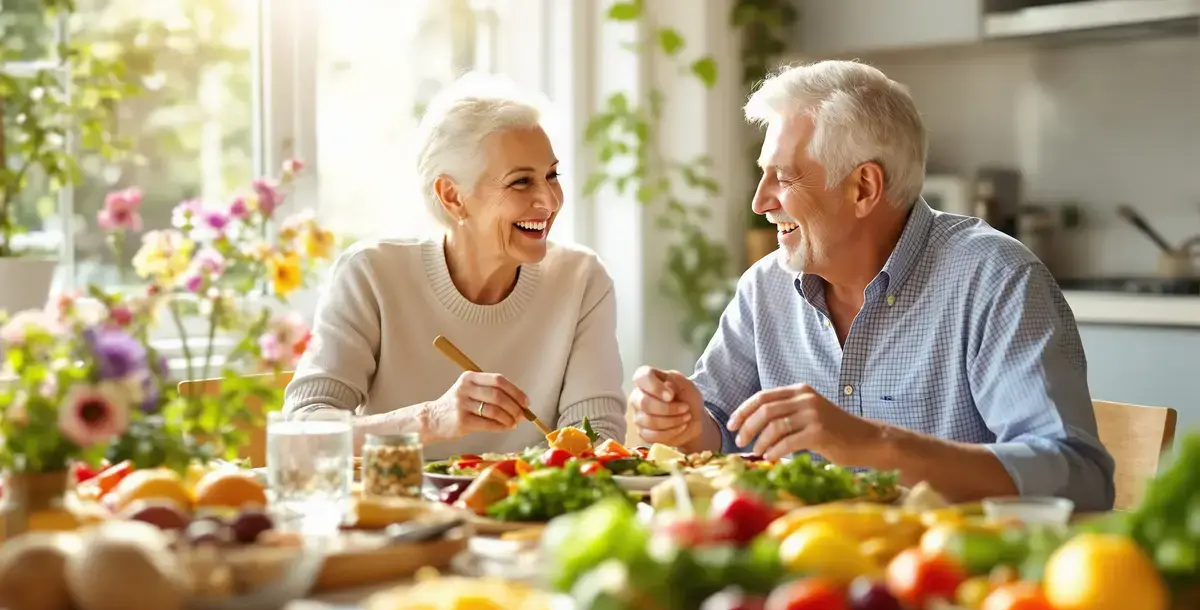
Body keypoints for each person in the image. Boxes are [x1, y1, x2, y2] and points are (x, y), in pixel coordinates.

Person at [628, 60, 1115, 510]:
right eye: (763, 176)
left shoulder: (995, 279)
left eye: (784, 178)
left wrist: (873, 444)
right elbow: (719, 429)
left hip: (950, 578)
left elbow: (1080, 479)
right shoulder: (765, 288)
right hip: (801, 572)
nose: (759, 202)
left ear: (863, 187)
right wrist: (689, 424)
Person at [285, 73, 625, 459]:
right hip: (402, 514)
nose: (548, 201)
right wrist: (431, 419)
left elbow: (597, 443)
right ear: (453, 197)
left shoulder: (581, 281)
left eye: (552, 175)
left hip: (529, 517)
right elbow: (301, 435)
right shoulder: (372, 275)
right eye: (520, 182)